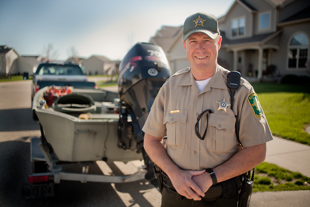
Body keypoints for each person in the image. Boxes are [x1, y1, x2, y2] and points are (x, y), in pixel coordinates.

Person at [143, 12, 273, 207]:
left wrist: (210, 178)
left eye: (207, 39)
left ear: (218, 42)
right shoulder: (170, 88)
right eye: (193, 40)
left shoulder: (239, 91)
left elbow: (257, 150)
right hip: (175, 194)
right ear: (185, 45)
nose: (200, 47)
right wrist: (175, 174)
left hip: (222, 197)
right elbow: (151, 140)